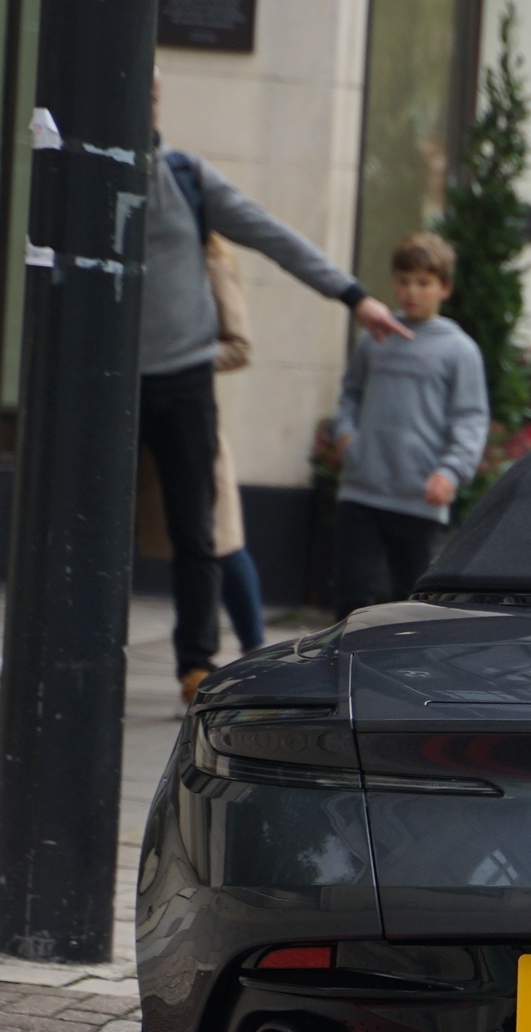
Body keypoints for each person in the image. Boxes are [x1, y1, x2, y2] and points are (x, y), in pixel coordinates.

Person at [145, 73, 406, 704]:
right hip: (100, 380)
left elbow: (272, 234)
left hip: (182, 379)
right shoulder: (83, 171)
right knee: (77, 518)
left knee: (196, 529)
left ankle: (196, 665)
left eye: (154, 90)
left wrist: (353, 296)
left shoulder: (186, 177)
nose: (147, 97)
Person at [329, 233, 490, 621]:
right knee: (351, 591)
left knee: (411, 599)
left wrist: (450, 472)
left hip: (418, 497)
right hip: (363, 490)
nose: (411, 291)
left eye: (423, 282)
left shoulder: (459, 350)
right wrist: (346, 437)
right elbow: (349, 394)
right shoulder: (376, 337)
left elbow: (471, 418)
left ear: (444, 288)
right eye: (403, 281)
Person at [139, 235, 265, 656]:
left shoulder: (211, 258)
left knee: (217, 541)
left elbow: (238, 345)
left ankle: (252, 653)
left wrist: (179, 358)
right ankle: (44, 645)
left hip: (187, 419)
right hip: (126, 420)